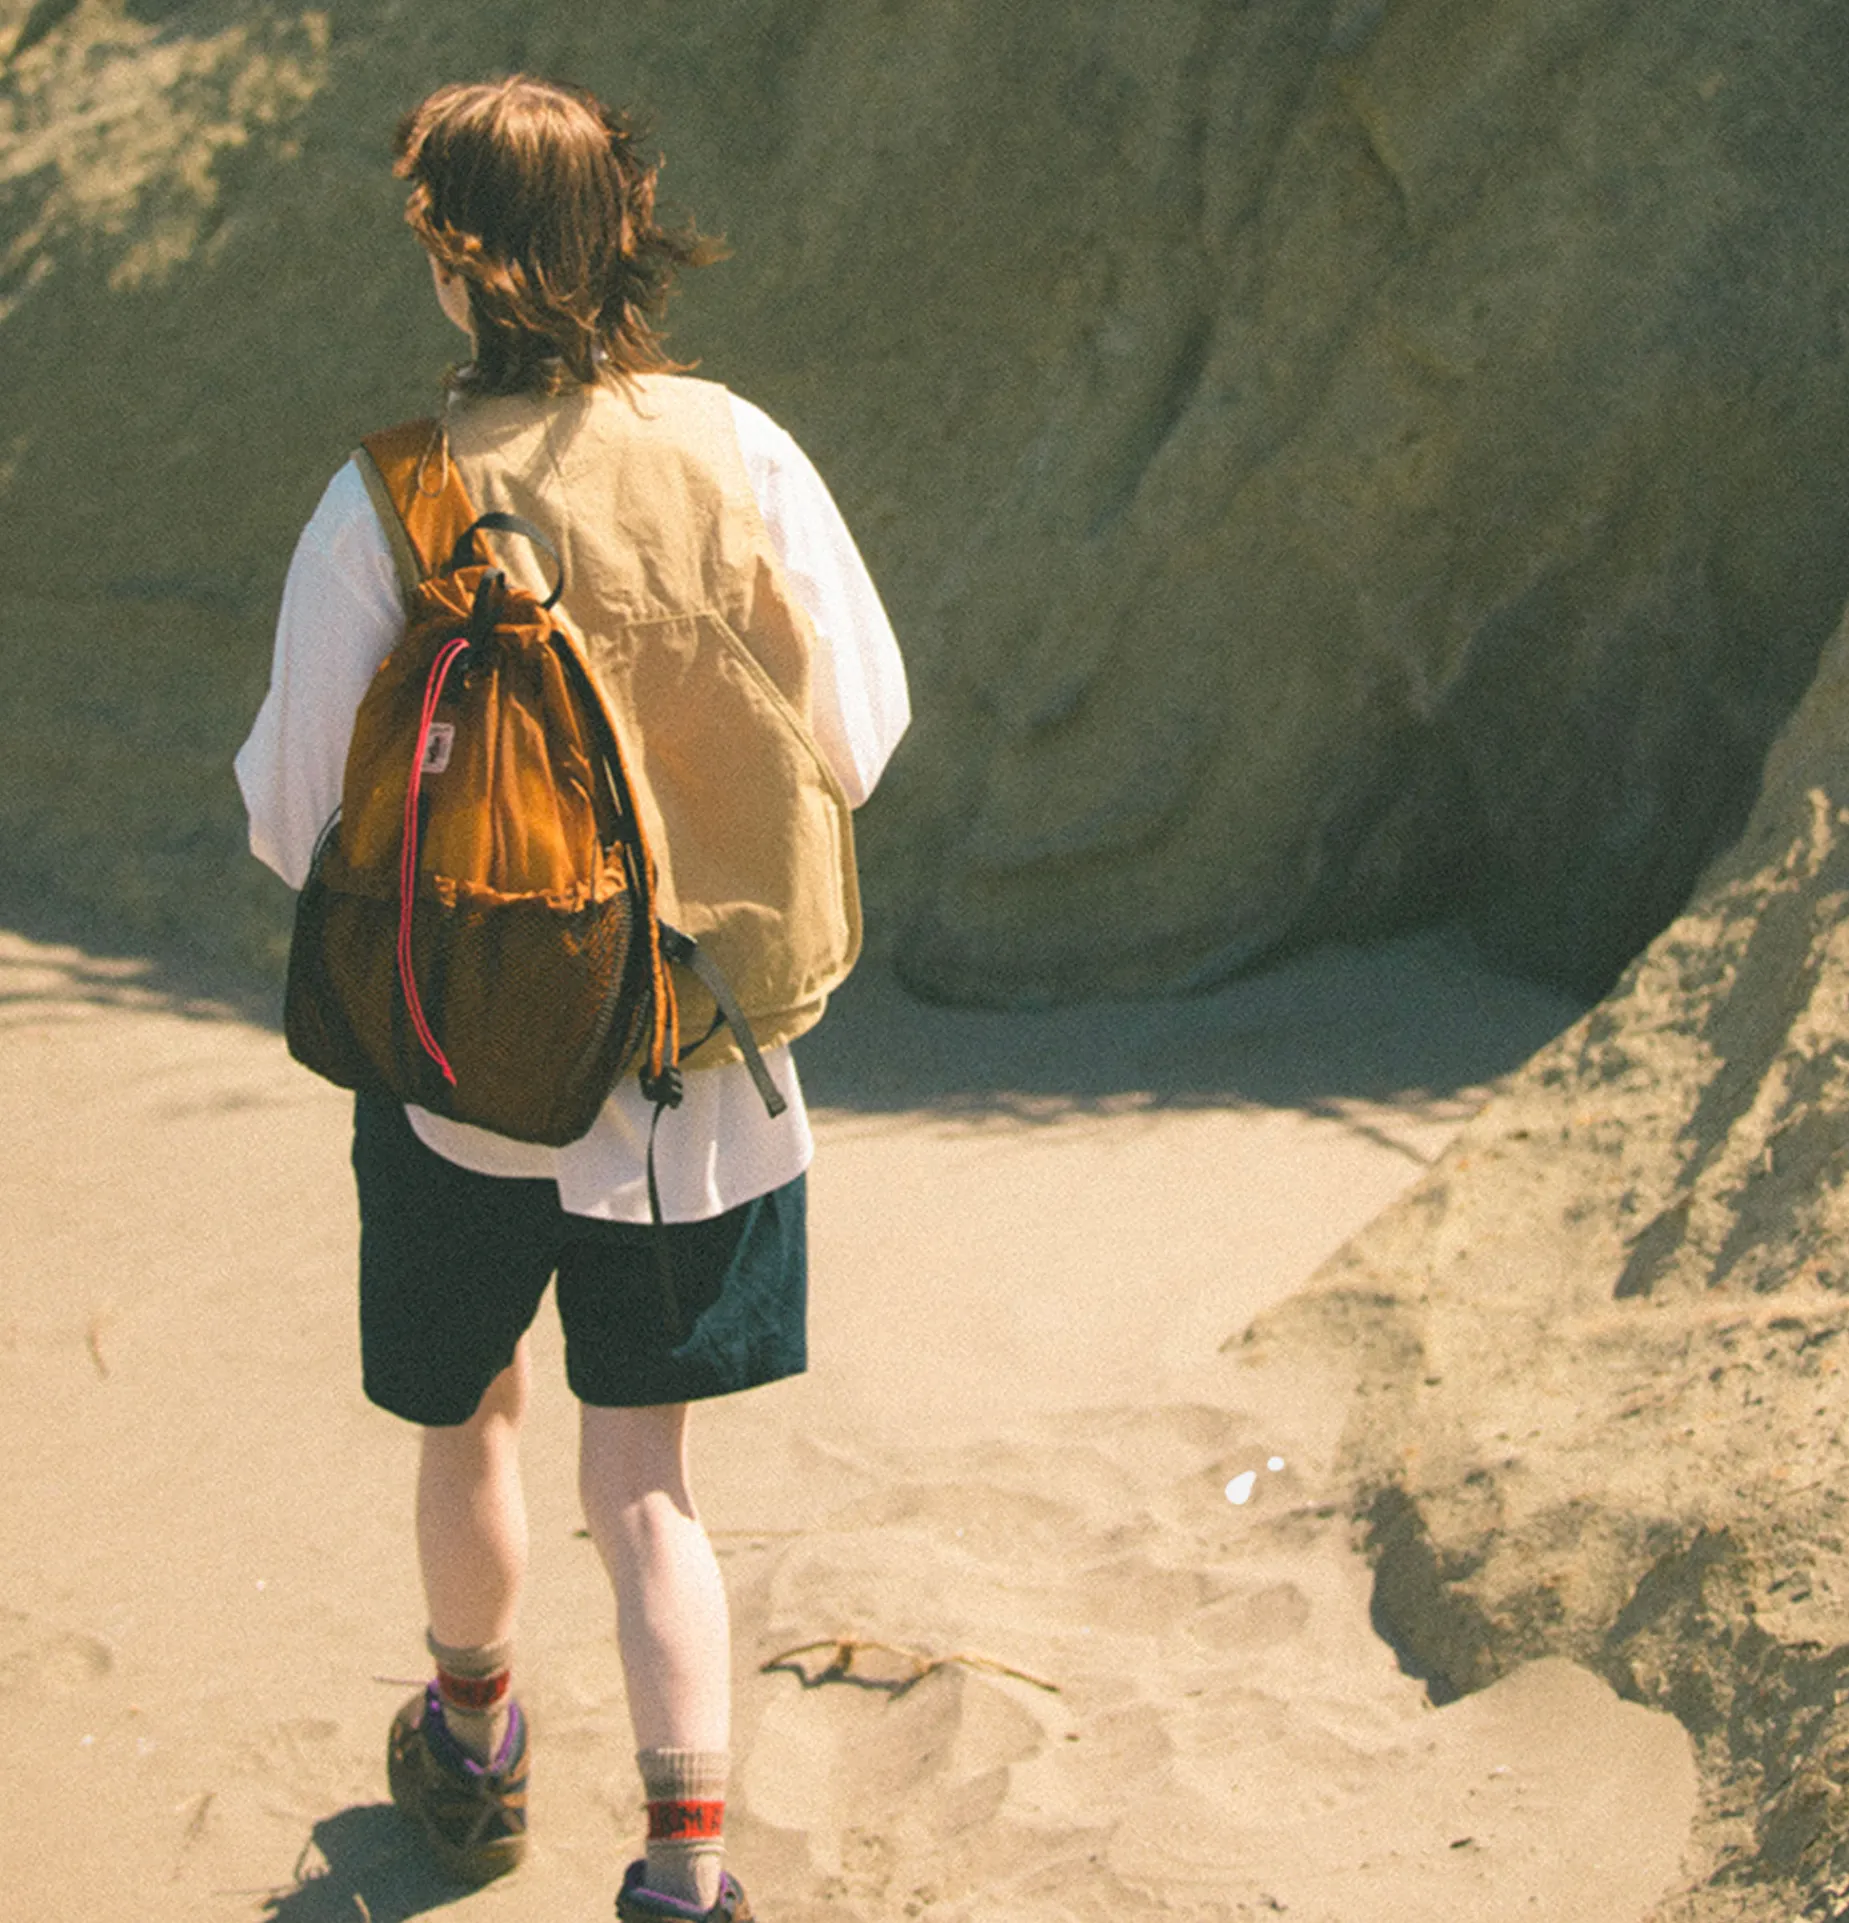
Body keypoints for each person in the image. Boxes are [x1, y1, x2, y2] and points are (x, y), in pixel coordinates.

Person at [235, 75, 908, 1923]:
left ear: (457, 267)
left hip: (464, 1062)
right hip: (698, 1072)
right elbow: (861, 731)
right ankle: (688, 1865)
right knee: (649, 1482)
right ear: (624, 238)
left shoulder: (390, 498)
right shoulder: (738, 450)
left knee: (473, 1417)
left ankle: (473, 1754)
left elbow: (292, 815)